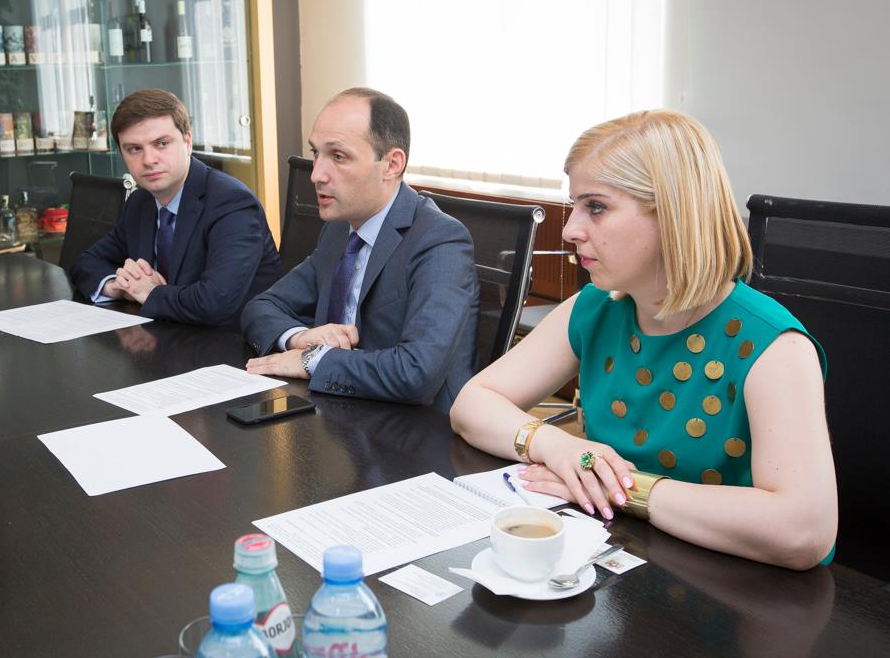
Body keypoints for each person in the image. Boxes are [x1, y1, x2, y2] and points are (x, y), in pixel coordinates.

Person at [449, 109, 837, 570]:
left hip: (739, 588)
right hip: (625, 560)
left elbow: (803, 531)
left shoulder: (774, 347)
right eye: (575, 206)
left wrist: (625, 489)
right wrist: (560, 446)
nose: (570, 229)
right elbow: (472, 404)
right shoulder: (598, 306)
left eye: (596, 207)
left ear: (673, 214)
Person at [242, 87, 479, 406]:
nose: (316, 174)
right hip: (338, 409)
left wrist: (313, 360)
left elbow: (416, 372)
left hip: (413, 426)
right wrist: (300, 338)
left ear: (392, 164)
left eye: (338, 157)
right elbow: (261, 306)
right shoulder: (339, 230)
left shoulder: (440, 241)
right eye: (316, 153)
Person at [70, 89, 281, 330]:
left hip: (233, 342)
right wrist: (117, 286)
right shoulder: (140, 202)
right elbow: (86, 262)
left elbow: (213, 302)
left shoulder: (231, 203)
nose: (149, 160)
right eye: (134, 149)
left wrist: (149, 292)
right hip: (167, 335)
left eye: (161, 143)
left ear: (187, 142)